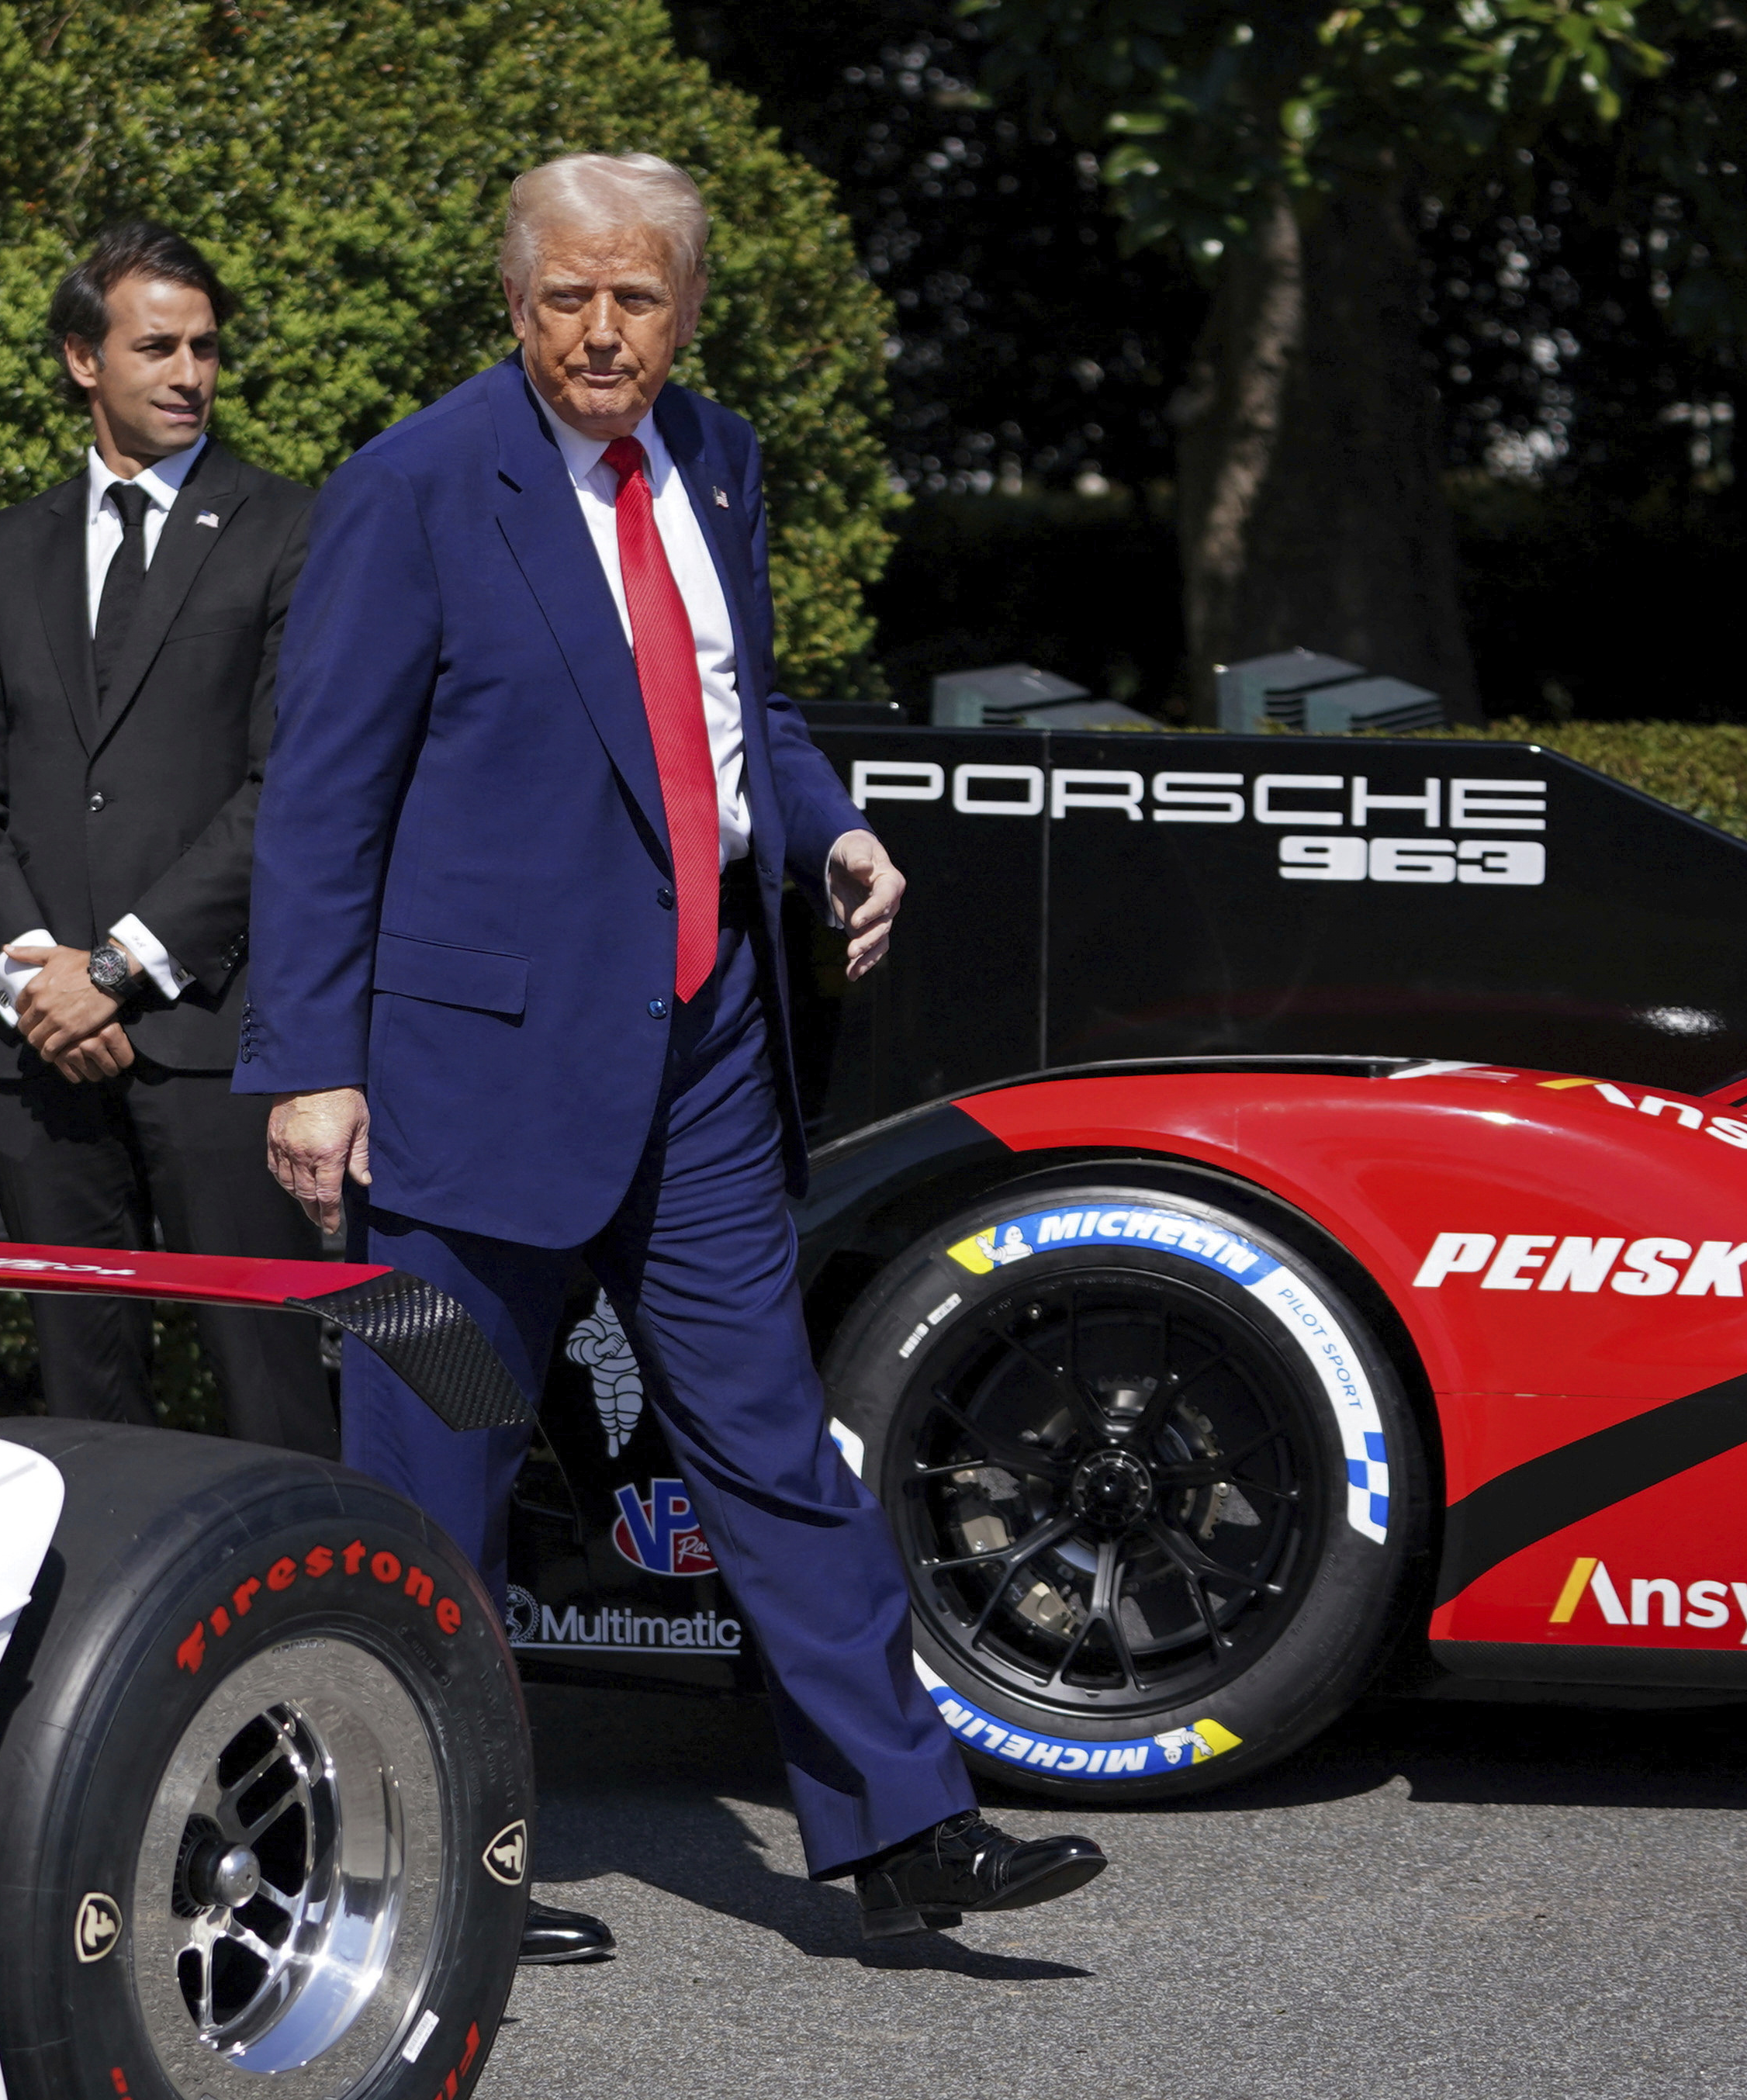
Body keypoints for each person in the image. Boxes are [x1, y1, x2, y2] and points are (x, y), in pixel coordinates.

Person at [240, 152, 1103, 1950]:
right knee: (434, 1487)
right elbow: (322, 798)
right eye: (565, 296)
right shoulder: (414, 487)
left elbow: (733, 705)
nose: (599, 331)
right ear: (513, 301)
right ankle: (428, 1878)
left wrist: (828, 830)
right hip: (467, 1072)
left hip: (704, 1048)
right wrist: (312, 1064)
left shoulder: (713, 457)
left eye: (634, 297)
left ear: (686, 307)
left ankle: (898, 1831)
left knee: (775, 1448)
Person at [0, 220, 329, 1453]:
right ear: (78, 360)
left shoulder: (287, 531)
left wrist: (114, 970)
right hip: (38, 1053)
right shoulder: (2, 553)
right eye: (155, 345)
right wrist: (35, 975)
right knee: (79, 1400)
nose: (188, 372)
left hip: (210, 1043)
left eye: (204, 347)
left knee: (269, 1391)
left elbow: (290, 786)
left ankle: (310, 1636)